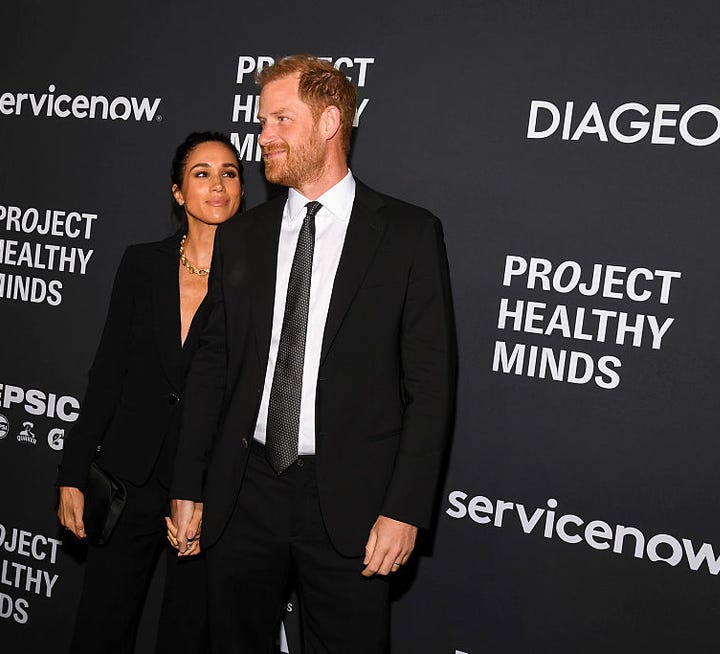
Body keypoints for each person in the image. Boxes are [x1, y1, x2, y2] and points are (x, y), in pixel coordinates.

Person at [170, 56, 456, 653]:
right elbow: (211, 369)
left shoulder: (407, 234)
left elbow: (430, 386)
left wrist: (404, 508)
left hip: (351, 502)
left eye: (281, 120)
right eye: (262, 121)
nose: (263, 136)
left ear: (329, 123)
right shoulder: (243, 235)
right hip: (243, 491)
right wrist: (189, 484)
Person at [56, 131, 243, 654]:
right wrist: (72, 472)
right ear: (178, 192)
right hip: (128, 479)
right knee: (101, 629)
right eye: (202, 174)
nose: (217, 185)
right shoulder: (141, 264)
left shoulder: (259, 280)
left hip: (208, 491)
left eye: (229, 173)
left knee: (188, 635)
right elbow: (107, 373)